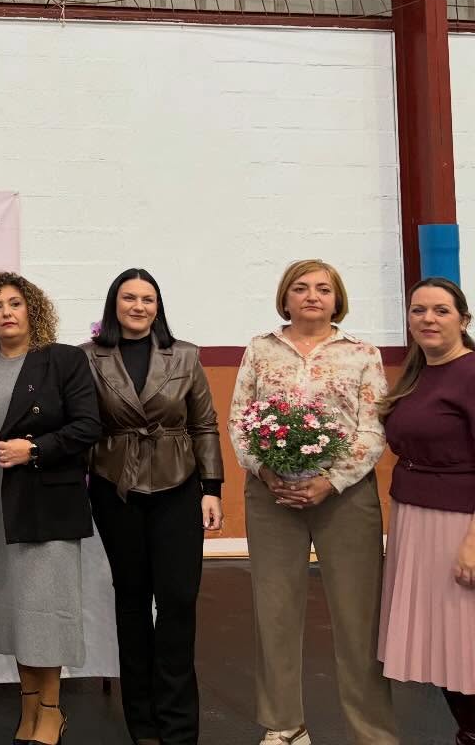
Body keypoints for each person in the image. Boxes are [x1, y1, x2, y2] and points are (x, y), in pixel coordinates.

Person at [228, 258, 398, 745]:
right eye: (300, 288)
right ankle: (284, 725)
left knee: (357, 617)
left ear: (336, 299)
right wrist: (265, 470)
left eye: (323, 289)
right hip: (271, 493)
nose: (312, 296)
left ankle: (372, 732)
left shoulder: (361, 352)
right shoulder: (261, 350)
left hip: (345, 496)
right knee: (275, 612)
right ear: (285, 297)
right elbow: (241, 419)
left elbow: (372, 427)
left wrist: (332, 479)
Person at [81, 268, 224, 745]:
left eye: (148, 298)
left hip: (179, 486)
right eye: (129, 298)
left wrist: (212, 488)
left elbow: (204, 423)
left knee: (179, 602)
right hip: (114, 489)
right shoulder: (88, 358)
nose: (138, 306)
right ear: (113, 304)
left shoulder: (185, 355)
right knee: (132, 603)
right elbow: (82, 425)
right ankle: (141, 724)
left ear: (158, 306)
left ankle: (180, 726)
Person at [0, 271, 101, 745]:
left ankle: (51, 709)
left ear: (32, 310)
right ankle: (28, 708)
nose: (6, 312)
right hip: (0, 510)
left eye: (15, 303)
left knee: (46, 613)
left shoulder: (62, 360)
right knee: (17, 612)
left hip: (46, 505)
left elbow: (88, 426)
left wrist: (35, 449)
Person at [378, 277, 475, 744]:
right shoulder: (416, 373)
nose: (428, 319)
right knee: (442, 647)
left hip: (459, 523)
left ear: (464, 319)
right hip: (413, 518)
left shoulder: (472, 373)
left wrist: (474, 542)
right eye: (418, 311)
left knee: (466, 645)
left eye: (440, 310)